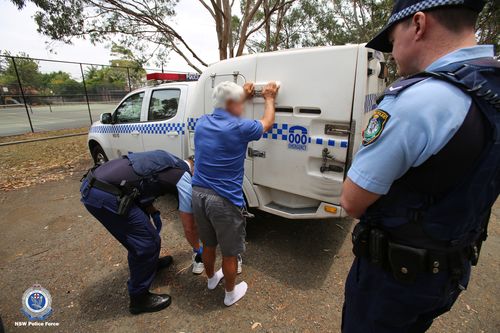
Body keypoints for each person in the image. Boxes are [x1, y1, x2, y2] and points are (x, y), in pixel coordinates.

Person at [340, 1, 499, 332]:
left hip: (394, 280)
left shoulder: (416, 101)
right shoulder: (492, 88)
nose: (392, 52)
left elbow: (352, 200)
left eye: (392, 39)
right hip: (451, 268)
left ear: (418, 24)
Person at [80, 150, 202, 314]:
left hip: (100, 181)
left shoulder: (169, 159)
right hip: (103, 194)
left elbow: (142, 179)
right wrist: (197, 248)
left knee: (145, 234)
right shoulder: (183, 178)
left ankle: (149, 265)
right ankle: (139, 299)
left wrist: (149, 208)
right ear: (195, 170)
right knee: (147, 243)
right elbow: (189, 226)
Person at [192, 80, 279, 306]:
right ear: (232, 103)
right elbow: (267, 123)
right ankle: (230, 294)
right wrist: (269, 98)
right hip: (223, 200)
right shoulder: (241, 128)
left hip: (198, 194)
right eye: (239, 103)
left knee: (208, 244)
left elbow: (229, 115)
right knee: (229, 253)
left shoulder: (202, 123)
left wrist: (242, 97)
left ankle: (211, 279)